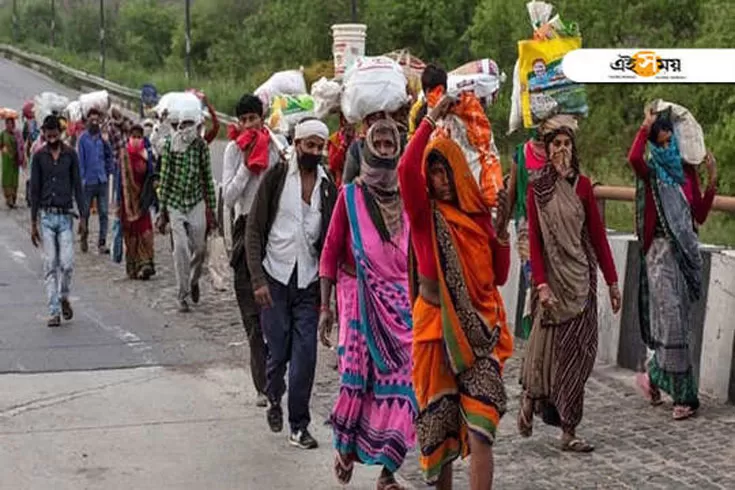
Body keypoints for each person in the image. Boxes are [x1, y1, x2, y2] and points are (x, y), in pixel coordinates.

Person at [399, 95, 513, 490]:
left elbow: (498, 276)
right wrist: (430, 119)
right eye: (432, 173)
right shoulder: (423, 216)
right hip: (434, 334)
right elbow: (404, 168)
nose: (439, 180)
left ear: (458, 172)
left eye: (445, 171)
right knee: (442, 435)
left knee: (482, 428)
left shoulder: (478, 219)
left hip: (480, 336)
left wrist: (501, 234)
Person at [318, 119, 416, 490]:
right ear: (370, 150)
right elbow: (329, 252)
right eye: (380, 142)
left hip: (400, 306)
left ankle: (389, 471)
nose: (387, 146)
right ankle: (345, 448)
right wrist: (326, 308)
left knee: (402, 387)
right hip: (356, 300)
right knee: (357, 383)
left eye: (392, 143)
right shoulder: (350, 196)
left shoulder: (409, 195)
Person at [518, 117, 621, 452]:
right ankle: (546, 411)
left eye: (567, 144)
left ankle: (568, 425)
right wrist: (541, 284)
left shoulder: (584, 187)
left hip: (581, 279)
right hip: (553, 283)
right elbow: (535, 240)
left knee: (582, 352)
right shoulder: (539, 188)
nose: (562, 150)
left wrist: (612, 281)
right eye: (556, 145)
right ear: (547, 151)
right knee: (550, 352)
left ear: (574, 149)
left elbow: (598, 237)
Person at [245, 118, 337, 450]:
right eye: (308, 145)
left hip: (309, 281)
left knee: (305, 356)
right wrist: (257, 279)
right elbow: (254, 230)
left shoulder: (328, 187)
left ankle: (299, 425)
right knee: (278, 351)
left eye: (319, 146)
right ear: (297, 145)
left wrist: (332, 295)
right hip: (274, 278)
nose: (313, 152)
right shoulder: (276, 178)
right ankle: (273, 395)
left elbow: (332, 241)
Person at [628, 107, 717, 421]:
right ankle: (684, 397)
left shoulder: (685, 171)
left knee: (679, 323)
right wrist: (644, 125)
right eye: (661, 131)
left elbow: (699, 215)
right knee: (672, 320)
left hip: (684, 255)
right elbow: (633, 158)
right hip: (661, 254)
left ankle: (653, 375)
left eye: (668, 130)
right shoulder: (651, 170)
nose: (667, 136)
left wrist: (711, 179)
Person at [222, 94, 284, 408]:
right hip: (245, 229)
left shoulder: (274, 146)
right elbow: (229, 197)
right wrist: (247, 166)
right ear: (238, 123)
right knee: (252, 315)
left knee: (275, 309)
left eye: (253, 119)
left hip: (273, 230)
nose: (249, 125)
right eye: (244, 120)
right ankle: (263, 385)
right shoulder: (234, 150)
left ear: (261, 119)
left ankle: (277, 374)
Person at [30, 115, 88, 327]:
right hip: (46, 216)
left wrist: (84, 217)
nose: (52, 136)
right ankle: (54, 311)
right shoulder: (38, 157)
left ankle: (64, 296)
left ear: (60, 133)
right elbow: (34, 191)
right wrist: (33, 223)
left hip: (65, 217)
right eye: (48, 133)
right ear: (44, 133)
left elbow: (78, 188)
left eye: (55, 133)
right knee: (50, 264)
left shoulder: (71, 155)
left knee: (67, 263)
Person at [156, 116, 217, 312]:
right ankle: (182, 294)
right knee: (181, 248)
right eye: (185, 125)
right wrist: (162, 210)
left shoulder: (201, 147)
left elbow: (207, 177)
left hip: (196, 201)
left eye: (192, 125)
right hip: (175, 203)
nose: (188, 129)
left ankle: (193, 280)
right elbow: (165, 178)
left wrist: (212, 210)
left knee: (199, 249)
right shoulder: (170, 146)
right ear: (179, 126)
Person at [505, 128, 547, 339]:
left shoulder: (557, 150)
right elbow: (511, 193)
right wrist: (501, 227)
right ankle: (534, 332)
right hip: (527, 228)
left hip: (552, 225)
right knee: (534, 281)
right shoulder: (520, 154)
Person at [118, 123, 155, 280]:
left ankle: (146, 264)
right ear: (128, 138)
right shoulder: (124, 155)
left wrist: (152, 199)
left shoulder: (147, 156)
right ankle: (133, 265)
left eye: (139, 137)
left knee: (145, 233)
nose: (136, 140)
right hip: (127, 202)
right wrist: (119, 203)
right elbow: (120, 180)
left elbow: (152, 178)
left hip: (142, 200)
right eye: (133, 137)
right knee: (131, 236)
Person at [77, 108, 114, 254]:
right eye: (92, 120)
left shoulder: (102, 139)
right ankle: (84, 236)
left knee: (104, 212)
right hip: (88, 181)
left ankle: (102, 242)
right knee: (85, 212)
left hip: (102, 179)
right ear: (87, 122)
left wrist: (109, 170)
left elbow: (109, 155)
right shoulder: (82, 139)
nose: (94, 123)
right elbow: (80, 161)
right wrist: (81, 179)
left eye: (96, 120)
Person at [342, 111, 388, 185]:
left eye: (380, 118)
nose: (377, 123)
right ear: (365, 122)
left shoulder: (394, 143)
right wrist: (355, 184)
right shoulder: (357, 148)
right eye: (372, 119)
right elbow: (346, 183)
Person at [408, 64, 447, 140]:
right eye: (435, 91)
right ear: (426, 91)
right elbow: (412, 138)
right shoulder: (417, 111)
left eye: (441, 91)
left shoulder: (455, 109)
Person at [1, 114, 26, 208]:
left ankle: (13, 199)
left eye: (10, 123)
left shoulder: (17, 134)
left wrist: (22, 158)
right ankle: (9, 199)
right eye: (7, 123)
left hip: (15, 161)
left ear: (13, 124)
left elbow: (21, 146)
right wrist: (4, 149)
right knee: (6, 179)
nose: (8, 125)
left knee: (14, 180)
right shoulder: (3, 134)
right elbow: (1, 145)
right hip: (6, 161)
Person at [327, 113, 355, 188]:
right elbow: (332, 165)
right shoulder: (334, 139)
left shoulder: (359, 138)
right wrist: (343, 146)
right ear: (342, 121)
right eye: (345, 121)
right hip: (340, 183)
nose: (348, 124)